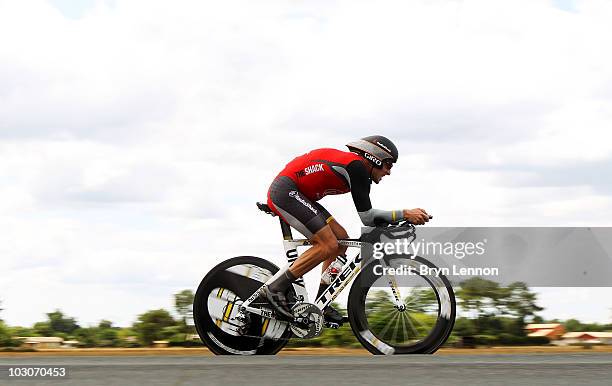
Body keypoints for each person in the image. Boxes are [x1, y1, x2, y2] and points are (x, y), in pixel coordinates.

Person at [264, 135, 431, 323]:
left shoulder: (360, 173)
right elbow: (367, 217)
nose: (389, 172)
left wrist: (396, 221)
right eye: (388, 165)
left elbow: (370, 218)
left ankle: (322, 303)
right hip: (287, 191)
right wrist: (404, 214)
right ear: (375, 157)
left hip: (301, 195)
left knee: (341, 239)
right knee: (328, 244)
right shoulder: (356, 166)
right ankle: (275, 287)